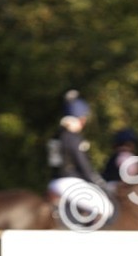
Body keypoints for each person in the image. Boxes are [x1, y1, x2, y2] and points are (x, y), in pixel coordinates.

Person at [47, 90, 114, 226]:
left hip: (53, 182)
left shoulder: (56, 136)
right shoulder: (72, 138)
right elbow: (83, 165)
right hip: (69, 182)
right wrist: (98, 182)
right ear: (81, 119)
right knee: (106, 209)